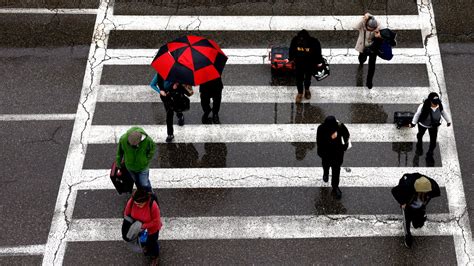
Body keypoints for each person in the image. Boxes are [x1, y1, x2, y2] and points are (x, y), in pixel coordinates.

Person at [391, 173, 440, 248]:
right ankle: (408, 237)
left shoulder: (432, 187)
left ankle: (418, 220)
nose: (426, 193)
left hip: (420, 208)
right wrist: (403, 202)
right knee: (407, 221)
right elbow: (394, 191)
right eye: (423, 192)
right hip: (409, 206)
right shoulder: (407, 187)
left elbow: (432, 194)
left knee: (417, 225)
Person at [150, 74, 193, 142]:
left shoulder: (177, 72)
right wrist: (160, 91)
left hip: (176, 95)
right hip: (166, 98)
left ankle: (180, 116)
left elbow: (186, 86)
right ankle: (170, 134)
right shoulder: (159, 74)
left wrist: (177, 84)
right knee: (169, 115)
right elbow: (152, 84)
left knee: (178, 108)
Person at [124, 189, 162, 264]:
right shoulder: (131, 201)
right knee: (143, 242)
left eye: (140, 204)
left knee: (152, 243)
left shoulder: (153, 205)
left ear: (146, 201)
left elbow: (156, 221)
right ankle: (146, 248)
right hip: (139, 229)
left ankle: (155, 257)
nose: (137, 205)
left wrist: (143, 226)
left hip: (151, 230)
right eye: (136, 204)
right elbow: (126, 214)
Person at [316, 116, 350, 199]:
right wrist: (330, 138)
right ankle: (326, 173)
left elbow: (347, 135)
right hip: (326, 153)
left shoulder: (340, 127)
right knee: (326, 165)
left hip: (337, 153)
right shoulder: (321, 128)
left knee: (336, 170)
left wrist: (345, 145)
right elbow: (319, 141)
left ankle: (335, 187)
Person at [410, 92, 452, 160]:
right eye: (434, 102)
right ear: (430, 101)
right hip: (423, 125)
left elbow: (443, 112)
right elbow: (417, 114)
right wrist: (413, 123)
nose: (436, 104)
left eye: (437, 102)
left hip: (434, 126)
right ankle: (419, 145)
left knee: (433, 141)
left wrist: (448, 121)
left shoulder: (440, 105)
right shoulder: (423, 106)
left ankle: (430, 153)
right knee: (420, 135)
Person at [116, 127, 156, 192]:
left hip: (143, 167)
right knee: (136, 182)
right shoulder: (123, 139)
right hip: (130, 167)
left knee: (145, 184)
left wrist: (146, 160)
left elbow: (152, 149)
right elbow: (119, 152)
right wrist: (118, 164)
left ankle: (151, 195)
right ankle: (141, 192)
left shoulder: (148, 140)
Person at [289, 29, 324, 103]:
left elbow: (318, 53)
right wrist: (291, 59)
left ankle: (307, 89)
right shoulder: (295, 41)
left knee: (307, 78)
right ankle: (300, 93)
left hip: (310, 64)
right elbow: (291, 50)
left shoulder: (313, 42)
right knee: (299, 79)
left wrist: (318, 61)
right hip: (299, 64)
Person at [354, 13, 383, 89]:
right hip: (363, 47)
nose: (370, 30)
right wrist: (363, 19)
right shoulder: (363, 24)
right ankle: (361, 61)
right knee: (362, 58)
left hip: (373, 48)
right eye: (369, 28)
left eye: (372, 29)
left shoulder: (378, 26)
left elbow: (384, 36)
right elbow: (355, 26)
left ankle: (369, 81)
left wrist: (379, 36)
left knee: (372, 65)